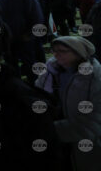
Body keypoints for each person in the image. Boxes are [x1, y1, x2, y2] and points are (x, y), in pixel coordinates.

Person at [34, 36, 101, 171]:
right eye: (54, 51)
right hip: (55, 141)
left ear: (78, 53)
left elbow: (95, 119)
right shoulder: (51, 70)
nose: (56, 54)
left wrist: (53, 129)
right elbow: (38, 93)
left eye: (62, 51)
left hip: (86, 142)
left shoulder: (95, 77)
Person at [0, 0, 44, 83]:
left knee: (29, 62)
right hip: (8, 37)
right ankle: (16, 84)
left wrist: (29, 34)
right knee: (11, 61)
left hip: (24, 36)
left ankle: (34, 83)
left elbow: (36, 16)